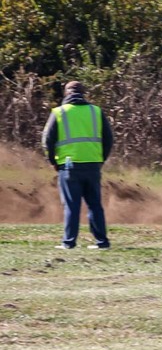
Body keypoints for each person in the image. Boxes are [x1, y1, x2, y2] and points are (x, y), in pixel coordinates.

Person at [42, 81, 114, 250]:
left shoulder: (59, 112)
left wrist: (52, 161)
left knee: (72, 206)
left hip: (69, 166)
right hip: (93, 165)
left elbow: (47, 140)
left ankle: (69, 243)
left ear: (66, 93)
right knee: (95, 205)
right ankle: (102, 243)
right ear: (84, 93)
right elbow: (109, 139)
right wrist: (100, 159)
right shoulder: (96, 111)